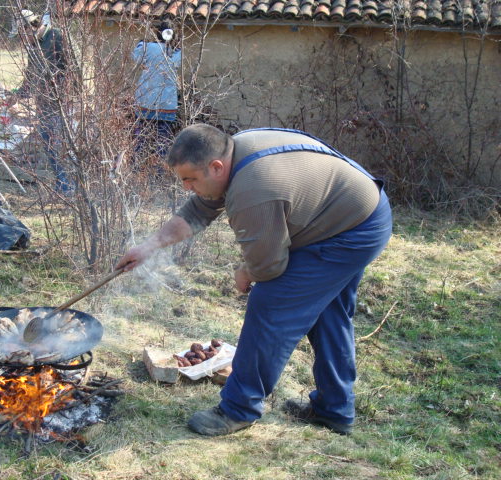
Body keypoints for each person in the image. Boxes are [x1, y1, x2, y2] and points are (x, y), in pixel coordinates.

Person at [116, 124, 392, 436]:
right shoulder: (231, 153)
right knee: (328, 315)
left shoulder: (253, 190)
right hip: (354, 213)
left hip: (349, 230)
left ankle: (238, 409)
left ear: (216, 167)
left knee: (271, 306)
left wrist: (246, 270)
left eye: (190, 179)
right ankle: (335, 410)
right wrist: (147, 248)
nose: (186, 187)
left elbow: (269, 268)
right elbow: (198, 210)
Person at [9, 9, 78, 195]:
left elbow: (74, 69)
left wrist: (65, 94)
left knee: (60, 146)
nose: (22, 40)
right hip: (44, 104)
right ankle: (61, 186)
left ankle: (69, 189)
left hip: (62, 103)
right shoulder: (34, 47)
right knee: (49, 146)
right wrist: (16, 96)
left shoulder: (57, 37)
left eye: (22, 35)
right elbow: (30, 77)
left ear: (30, 27)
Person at [132, 21, 182, 160]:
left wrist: (143, 41)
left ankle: (136, 169)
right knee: (163, 142)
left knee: (141, 140)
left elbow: (135, 56)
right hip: (167, 103)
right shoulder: (176, 52)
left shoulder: (147, 47)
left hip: (145, 101)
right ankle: (159, 172)